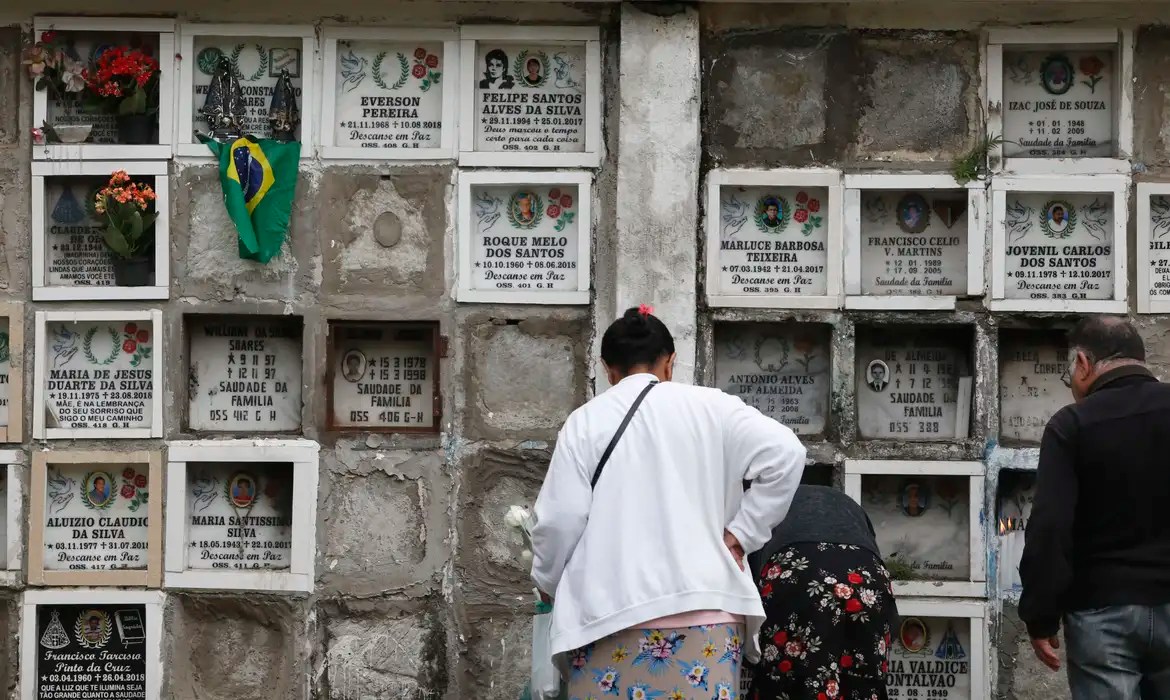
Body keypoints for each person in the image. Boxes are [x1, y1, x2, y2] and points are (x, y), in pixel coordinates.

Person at [531, 305, 805, 699]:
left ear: (609, 369)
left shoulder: (585, 423)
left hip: (606, 617)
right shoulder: (715, 408)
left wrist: (547, 582)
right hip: (707, 612)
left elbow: (559, 520)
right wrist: (742, 533)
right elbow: (787, 453)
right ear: (670, 362)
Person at [1020, 315, 1170, 699]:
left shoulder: (1072, 425)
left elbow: (1050, 528)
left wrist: (1040, 617)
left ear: (1083, 364)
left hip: (1101, 613)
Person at [746, 485, 898, 700]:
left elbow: (746, 584)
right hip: (866, 572)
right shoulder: (845, 505)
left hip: (797, 569)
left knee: (788, 675)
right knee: (862, 677)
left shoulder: (765, 502)